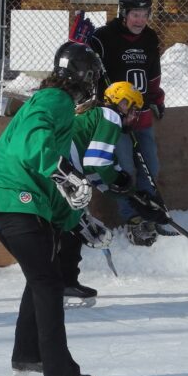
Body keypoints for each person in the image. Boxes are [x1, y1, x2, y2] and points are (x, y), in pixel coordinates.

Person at [0, 42, 100, 376]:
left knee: (41, 276)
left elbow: (52, 184)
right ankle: (60, 375)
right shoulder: (55, 99)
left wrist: (78, 220)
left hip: (9, 199)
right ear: (84, 76)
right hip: (12, 196)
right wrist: (64, 172)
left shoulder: (56, 108)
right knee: (47, 282)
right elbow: (34, 145)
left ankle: (28, 358)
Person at [88, 0, 175, 246]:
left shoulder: (149, 38)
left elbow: (153, 75)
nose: (140, 20)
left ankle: (148, 214)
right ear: (123, 13)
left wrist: (156, 98)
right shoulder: (103, 37)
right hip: (115, 117)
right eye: (134, 14)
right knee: (125, 169)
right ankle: (132, 218)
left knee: (151, 168)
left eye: (144, 14)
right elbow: (90, 71)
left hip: (141, 115)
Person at [58, 81, 145, 308]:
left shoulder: (96, 116)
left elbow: (93, 170)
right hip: (65, 172)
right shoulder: (110, 116)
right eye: (133, 109)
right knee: (73, 226)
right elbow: (97, 162)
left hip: (61, 171)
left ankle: (60, 281)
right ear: (122, 103)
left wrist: (125, 194)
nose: (134, 116)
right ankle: (64, 282)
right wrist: (119, 180)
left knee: (67, 226)